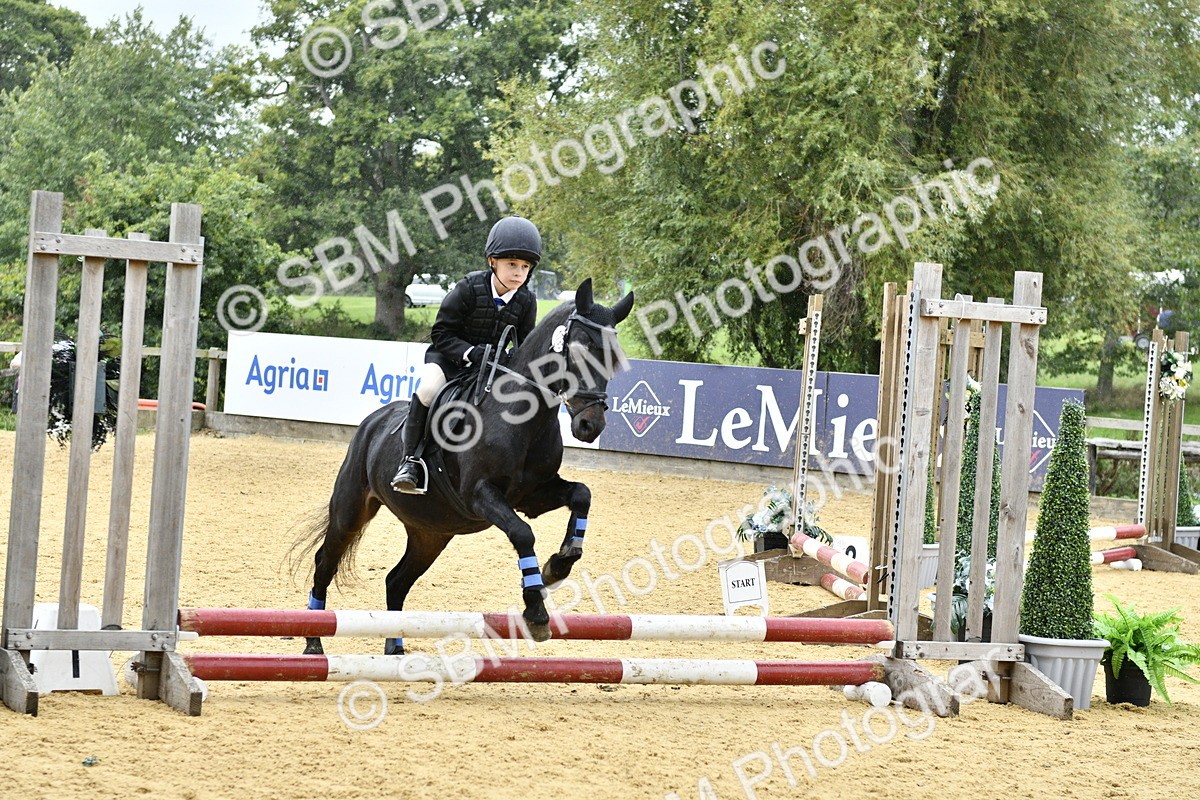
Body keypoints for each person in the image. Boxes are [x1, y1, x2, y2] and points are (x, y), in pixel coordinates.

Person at [391, 215, 540, 494]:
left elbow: (524, 344)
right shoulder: (468, 288)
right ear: (492, 262)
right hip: (448, 360)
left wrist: (511, 359)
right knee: (427, 389)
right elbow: (441, 334)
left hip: (490, 370)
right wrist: (471, 352)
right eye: (511, 264)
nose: (519, 272)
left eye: (524, 266)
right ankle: (409, 461)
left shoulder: (527, 300)